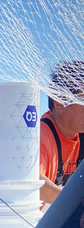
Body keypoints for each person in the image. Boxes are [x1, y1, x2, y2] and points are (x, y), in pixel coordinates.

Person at [39, 60, 84, 204]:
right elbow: (34, 183)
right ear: (60, 102)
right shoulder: (40, 135)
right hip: (28, 223)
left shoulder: (79, 132)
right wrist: (77, 204)